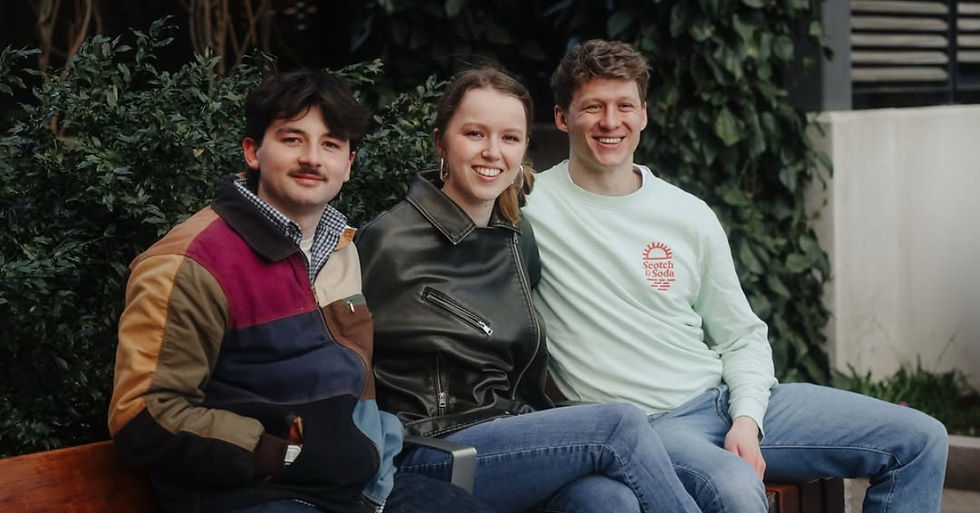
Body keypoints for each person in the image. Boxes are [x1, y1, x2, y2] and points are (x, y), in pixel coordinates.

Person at [523, 39, 950, 513]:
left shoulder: (687, 213)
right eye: (592, 107)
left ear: (644, 114)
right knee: (734, 488)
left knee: (921, 439)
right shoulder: (529, 207)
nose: (610, 122)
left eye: (624, 105)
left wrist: (746, 419)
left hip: (728, 400)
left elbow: (741, 335)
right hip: (649, 427)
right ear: (562, 118)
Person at [107, 70, 496, 513]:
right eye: (293, 139)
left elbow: (354, 386)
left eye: (331, 144)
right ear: (253, 151)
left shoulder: (340, 247)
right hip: (253, 496)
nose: (313, 158)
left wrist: (374, 458)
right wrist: (283, 455)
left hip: (358, 490)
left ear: (348, 164)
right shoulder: (188, 264)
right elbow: (143, 416)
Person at [355, 67, 702, 513]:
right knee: (619, 424)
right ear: (442, 141)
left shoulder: (516, 239)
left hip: (510, 435)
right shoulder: (389, 240)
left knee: (606, 500)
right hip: (431, 448)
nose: (492, 152)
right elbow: (348, 363)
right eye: (475, 134)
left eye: (510, 138)